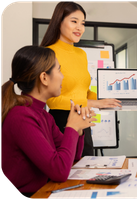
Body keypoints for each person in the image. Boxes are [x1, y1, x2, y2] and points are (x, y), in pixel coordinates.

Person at [1, 46, 97, 198]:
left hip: (43, 191)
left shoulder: (44, 116)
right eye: (59, 70)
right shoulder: (21, 117)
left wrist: (78, 130)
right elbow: (59, 171)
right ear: (44, 77)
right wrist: (71, 126)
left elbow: (71, 159)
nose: (63, 76)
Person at [40, 1, 121, 157]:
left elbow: (84, 91)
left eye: (82, 23)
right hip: (61, 122)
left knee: (86, 168)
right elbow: (51, 101)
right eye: (74, 21)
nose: (80, 28)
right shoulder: (48, 53)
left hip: (84, 121)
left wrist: (107, 99)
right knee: (64, 174)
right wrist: (92, 103)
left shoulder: (81, 54)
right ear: (59, 22)